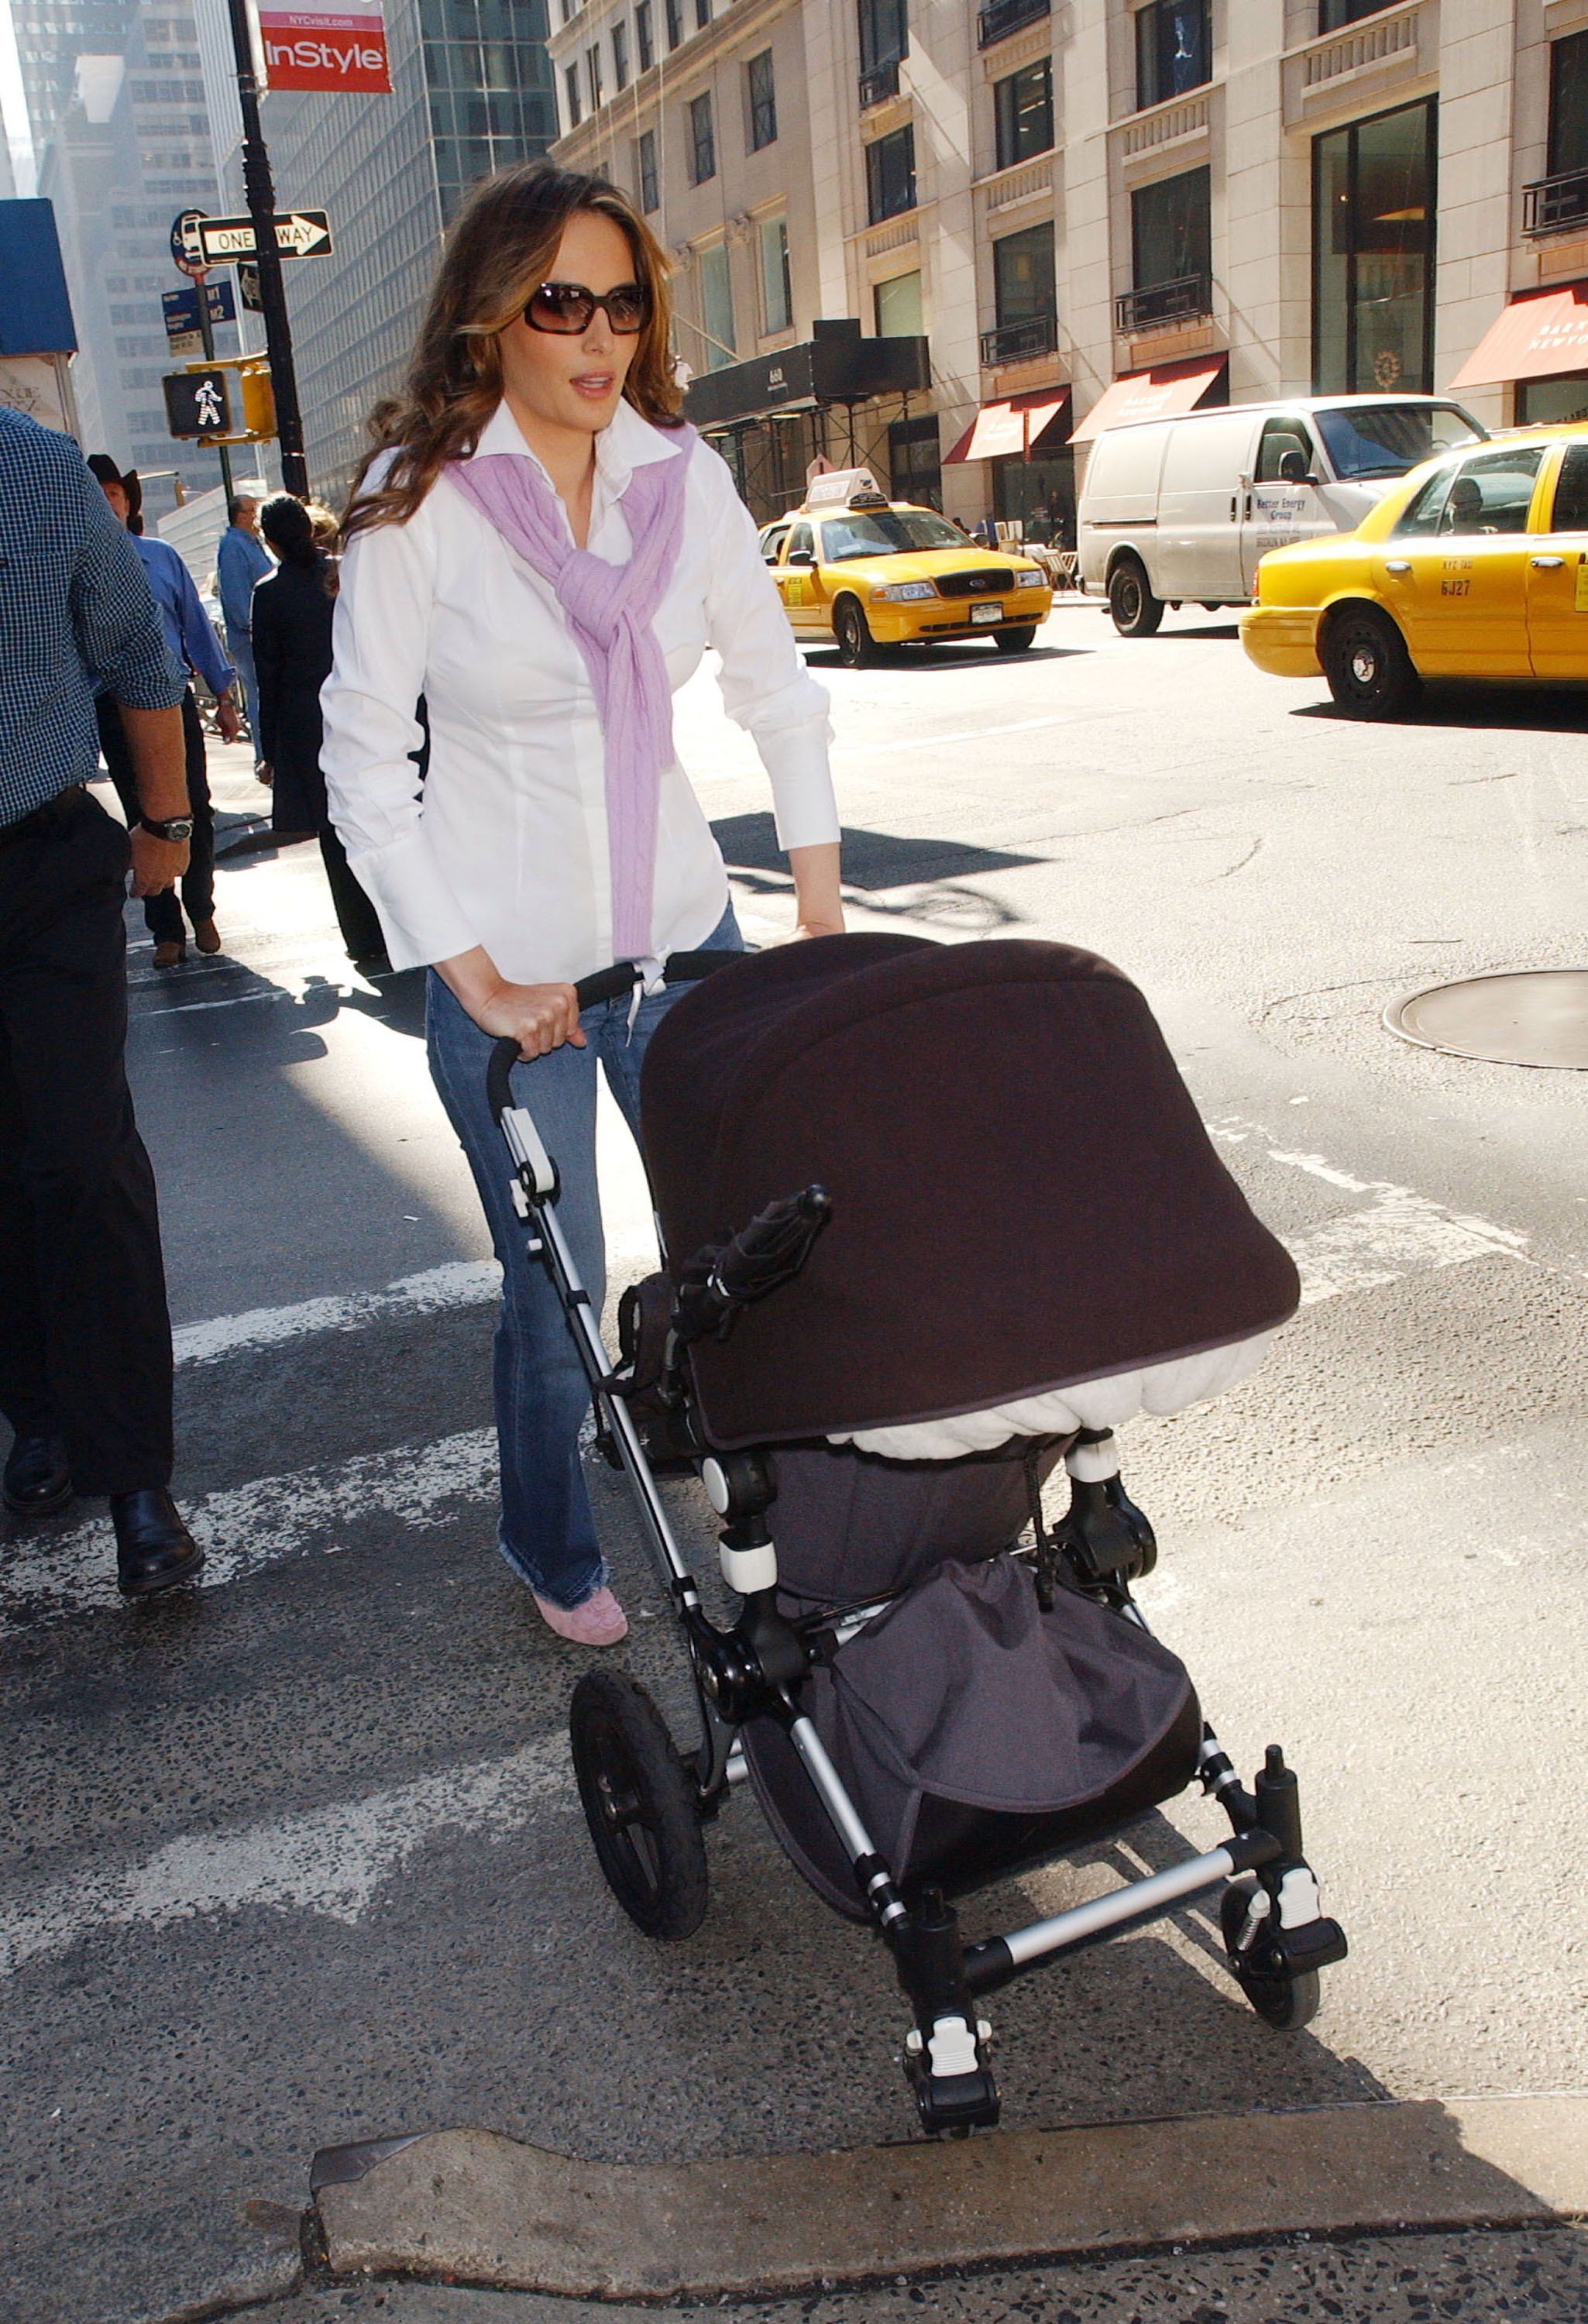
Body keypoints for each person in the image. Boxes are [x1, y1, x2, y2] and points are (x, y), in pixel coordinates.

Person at [322, 161, 844, 1646]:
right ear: (494, 319)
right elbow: (361, 758)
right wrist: (474, 980)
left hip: (690, 951)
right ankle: (549, 1544)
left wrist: (820, 917)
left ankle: (784, 1516)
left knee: (758, 1266)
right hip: (522, 985)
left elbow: (774, 692)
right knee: (558, 1315)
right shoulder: (418, 504)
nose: (597, 333)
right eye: (561, 301)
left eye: (622, 301)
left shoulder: (684, 478)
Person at [0, 407, 205, 1595]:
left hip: (40, 861)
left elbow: (137, 654)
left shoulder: (32, 471)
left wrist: (169, 826)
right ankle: (36, 1416)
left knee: (80, 1154)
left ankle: (135, 1479)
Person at [88, 455, 242, 967]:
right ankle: (165, 931)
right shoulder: (76, 562)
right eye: (98, 492)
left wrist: (223, 697)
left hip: (171, 697)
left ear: (129, 501)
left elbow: (195, 626)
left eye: (115, 492)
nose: (107, 501)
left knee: (193, 805)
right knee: (141, 814)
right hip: (109, 703)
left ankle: (202, 910)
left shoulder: (160, 556)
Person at [251, 493, 388, 968]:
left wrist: (268, 749)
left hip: (306, 720)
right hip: (366, 705)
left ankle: (363, 936)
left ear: (268, 540)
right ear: (310, 528)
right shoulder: (346, 571)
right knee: (384, 810)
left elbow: (267, 676)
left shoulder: (268, 592)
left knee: (334, 829)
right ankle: (397, 921)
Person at [216, 493, 271, 751]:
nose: (256, 514)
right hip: (251, 638)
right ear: (241, 515)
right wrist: (252, 626)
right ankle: (265, 756)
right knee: (260, 697)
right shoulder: (234, 546)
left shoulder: (251, 544)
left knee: (264, 695)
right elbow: (237, 594)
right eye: (252, 510)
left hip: (259, 635)